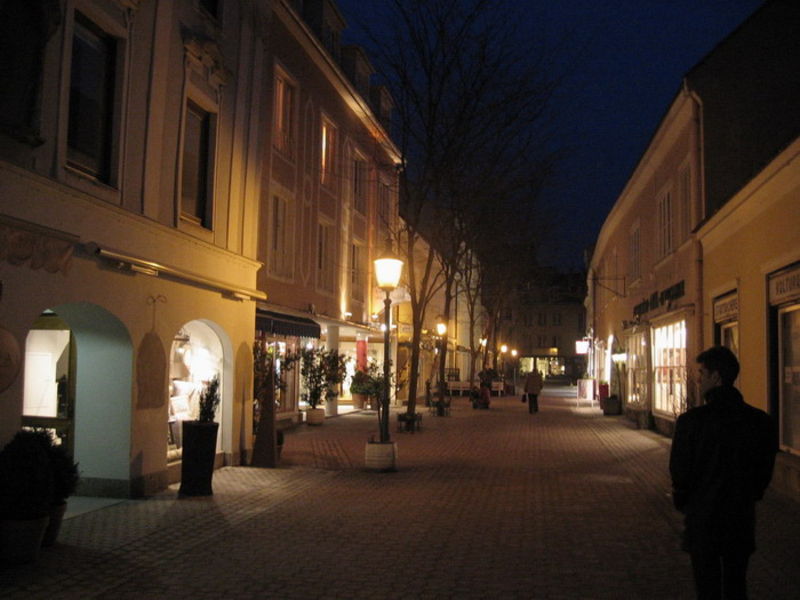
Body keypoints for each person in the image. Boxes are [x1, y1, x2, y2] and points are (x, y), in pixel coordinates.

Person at [669, 346, 778, 600]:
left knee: (707, 584)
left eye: (702, 373)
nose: (698, 379)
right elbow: (764, 471)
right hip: (740, 516)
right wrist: (751, 495)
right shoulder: (759, 421)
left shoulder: (692, 422)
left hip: (703, 517)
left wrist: (684, 501)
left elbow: (680, 471)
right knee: (736, 582)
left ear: (716, 377)